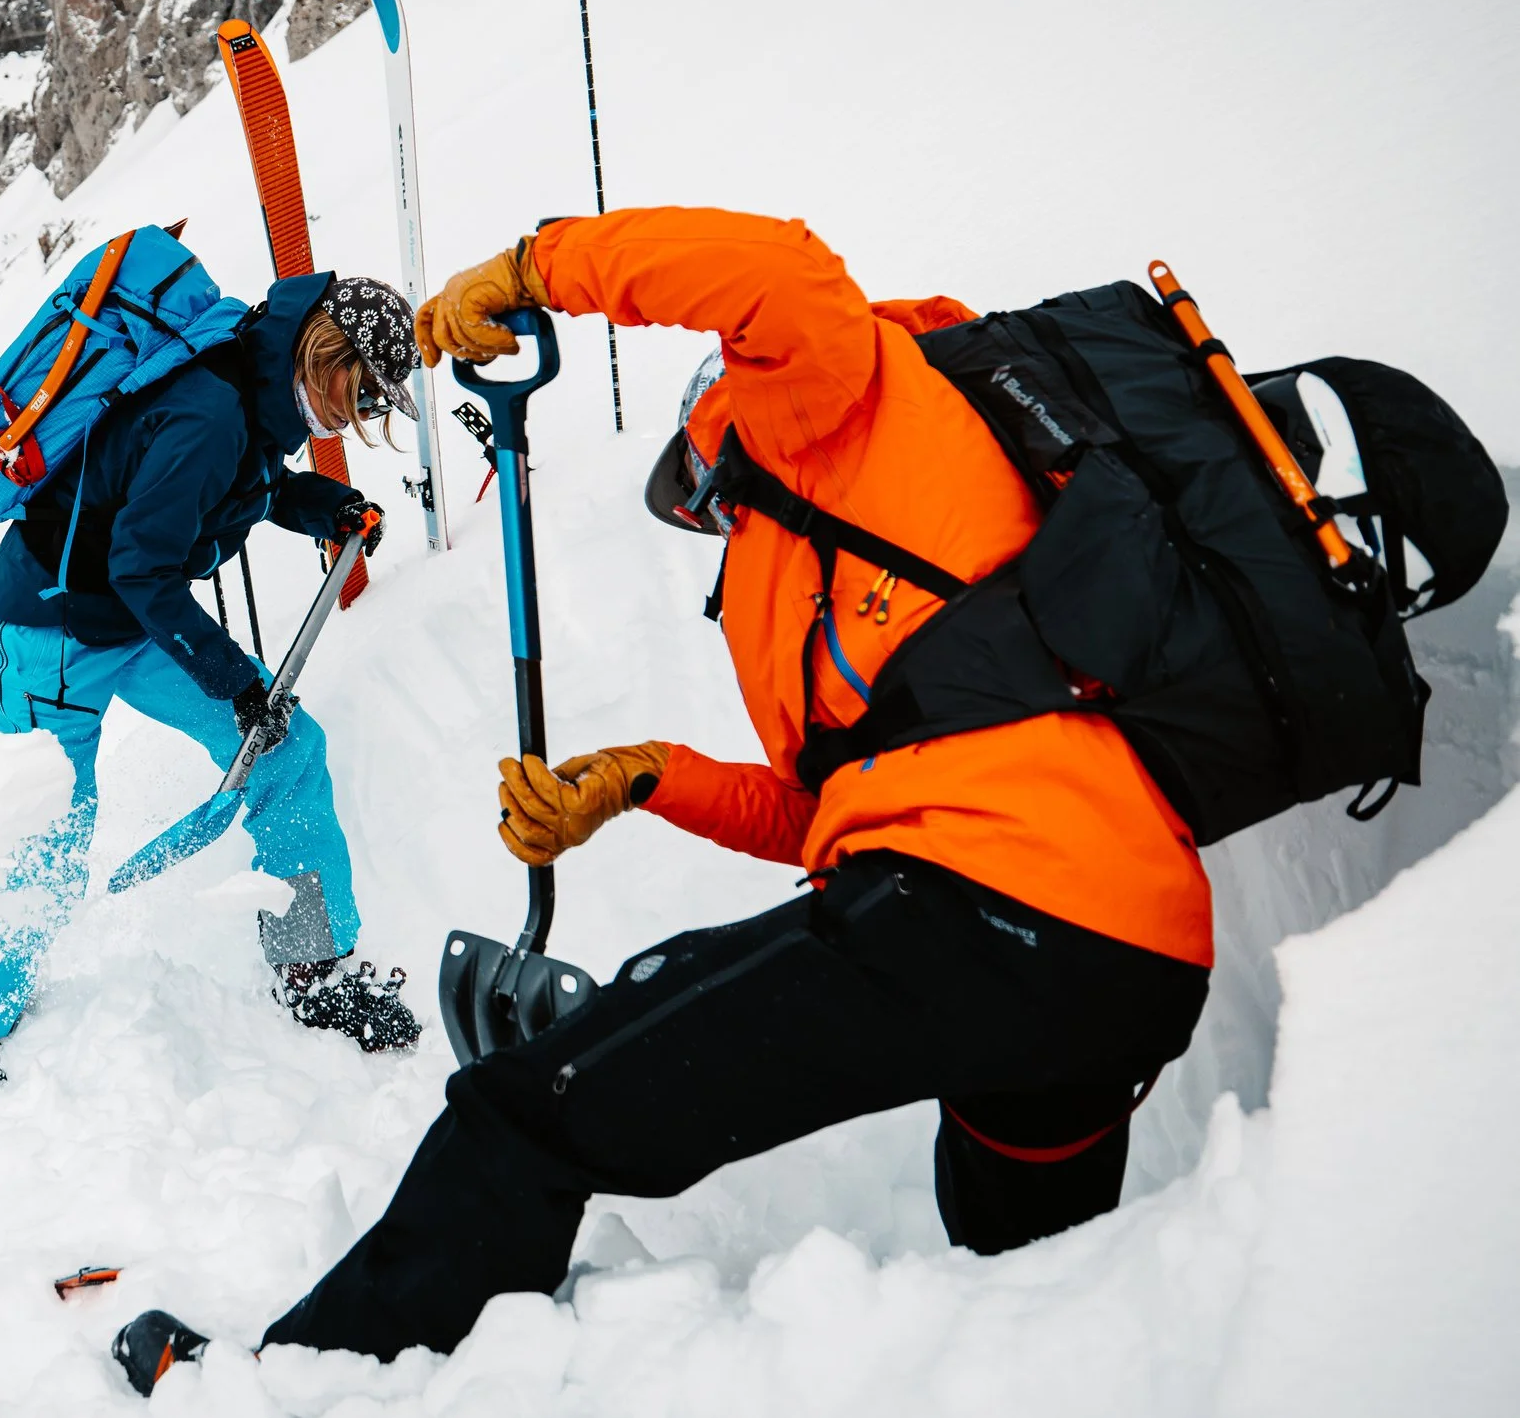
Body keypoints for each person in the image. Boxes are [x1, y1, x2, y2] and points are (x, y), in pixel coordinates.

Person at [113, 206, 1222, 1390]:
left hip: (983, 899)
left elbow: (775, 270)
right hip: (1128, 950)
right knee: (1030, 1288)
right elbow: (828, 815)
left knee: (524, 1111)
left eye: (703, 490)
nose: (713, 519)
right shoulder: (904, 573)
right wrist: (643, 776)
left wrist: (534, 268)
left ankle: (289, 1385)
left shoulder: (843, 402)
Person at [0, 272, 428, 1080]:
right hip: (47, 630)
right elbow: (142, 564)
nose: (365, 415)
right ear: (329, 359)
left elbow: (246, 485)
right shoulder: (212, 412)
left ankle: (310, 964)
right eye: (368, 394)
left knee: (285, 751)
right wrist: (235, 681)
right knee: (47, 830)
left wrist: (325, 506)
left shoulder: (255, 390)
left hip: (134, 619)